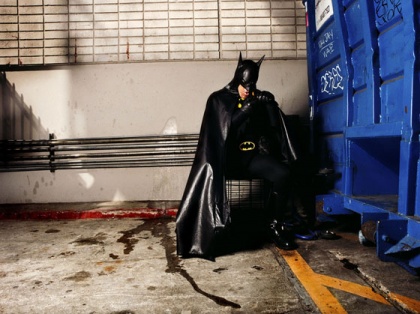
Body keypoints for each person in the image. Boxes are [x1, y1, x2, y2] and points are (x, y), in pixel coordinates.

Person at [176, 53, 299, 260]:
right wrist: (244, 111)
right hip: (225, 162)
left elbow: (272, 131)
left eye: (251, 86)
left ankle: (274, 225)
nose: (247, 90)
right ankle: (212, 229)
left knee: (283, 174)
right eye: (244, 86)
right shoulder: (218, 99)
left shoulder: (256, 98)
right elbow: (219, 133)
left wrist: (269, 105)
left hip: (251, 159)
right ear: (236, 79)